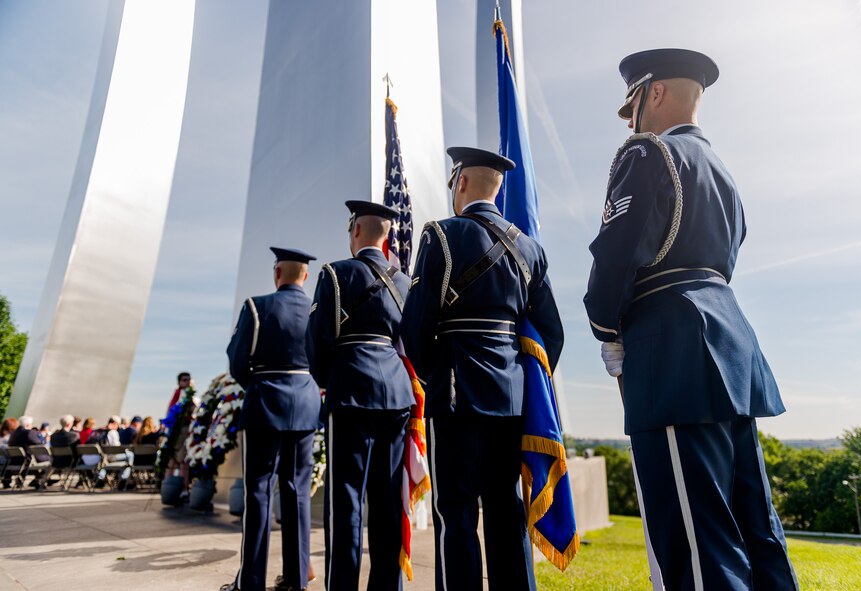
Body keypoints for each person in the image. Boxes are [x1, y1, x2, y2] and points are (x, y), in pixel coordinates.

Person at [583, 48, 798, 590]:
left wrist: (607, 332)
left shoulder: (648, 154)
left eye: (632, 103)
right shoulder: (722, 172)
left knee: (697, 544)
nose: (630, 119)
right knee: (756, 531)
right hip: (731, 348)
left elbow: (615, 255)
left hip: (671, 352)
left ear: (653, 93)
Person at [400, 147, 564, 591]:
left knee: (456, 512)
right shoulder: (529, 248)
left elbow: (414, 329)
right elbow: (552, 335)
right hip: (511, 400)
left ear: (461, 183)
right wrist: (519, 382)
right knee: (504, 508)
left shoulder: (440, 235)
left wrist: (440, 375)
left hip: (456, 392)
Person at [307, 201, 414, 591]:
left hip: (350, 390)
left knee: (346, 503)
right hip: (397, 395)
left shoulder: (335, 274)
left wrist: (329, 379)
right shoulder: (404, 281)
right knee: (386, 502)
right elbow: (412, 341)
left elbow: (317, 341)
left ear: (355, 231)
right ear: (385, 236)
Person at [222, 246, 322, 591]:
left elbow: (237, 360)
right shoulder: (315, 310)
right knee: (297, 493)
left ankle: (250, 583)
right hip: (307, 405)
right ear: (305, 276)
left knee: (259, 494)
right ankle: (296, 580)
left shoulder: (257, 306)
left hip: (265, 404)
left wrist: (261, 384)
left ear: (277, 273)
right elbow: (322, 358)